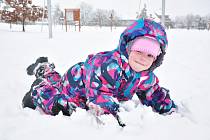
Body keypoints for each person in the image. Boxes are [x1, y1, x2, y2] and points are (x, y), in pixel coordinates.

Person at [23, 18, 178, 127]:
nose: (143, 59)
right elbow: (98, 95)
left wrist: (166, 107)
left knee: (58, 82)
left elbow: (153, 92)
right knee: (62, 104)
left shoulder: (145, 76)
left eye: (150, 55)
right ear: (128, 47)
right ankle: (39, 88)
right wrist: (117, 113)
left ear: (156, 59)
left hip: (90, 84)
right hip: (78, 84)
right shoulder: (109, 66)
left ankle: (45, 68)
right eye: (139, 51)